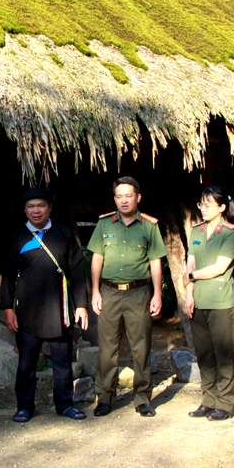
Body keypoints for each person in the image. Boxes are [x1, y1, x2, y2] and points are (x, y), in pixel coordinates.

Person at [0, 188, 90, 422]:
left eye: (41, 205)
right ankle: (24, 405)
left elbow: (78, 272)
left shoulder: (64, 234)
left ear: (50, 207)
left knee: (62, 362)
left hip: (59, 310)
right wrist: (8, 309)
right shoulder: (16, 237)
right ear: (24, 210)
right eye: (31, 206)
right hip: (27, 311)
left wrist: (81, 305)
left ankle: (64, 404)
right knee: (26, 363)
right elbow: (8, 275)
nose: (36, 211)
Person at [87, 176, 167, 418]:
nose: (123, 200)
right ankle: (105, 398)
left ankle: (142, 398)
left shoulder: (149, 226)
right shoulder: (104, 224)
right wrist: (95, 290)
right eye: (119, 196)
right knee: (107, 349)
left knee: (141, 348)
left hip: (139, 294)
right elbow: (97, 258)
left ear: (138, 198)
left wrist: (157, 294)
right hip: (109, 293)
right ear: (115, 199)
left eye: (128, 196)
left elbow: (155, 261)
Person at [183, 186, 234, 421]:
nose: (203, 209)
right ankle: (208, 400)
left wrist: (191, 277)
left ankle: (225, 403)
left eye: (208, 205)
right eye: (201, 204)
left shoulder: (230, 233)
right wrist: (188, 294)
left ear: (222, 207)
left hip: (219, 301)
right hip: (197, 299)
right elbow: (190, 263)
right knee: (204, 353)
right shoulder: (196, 231)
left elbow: (220, 267)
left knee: (224, 354)